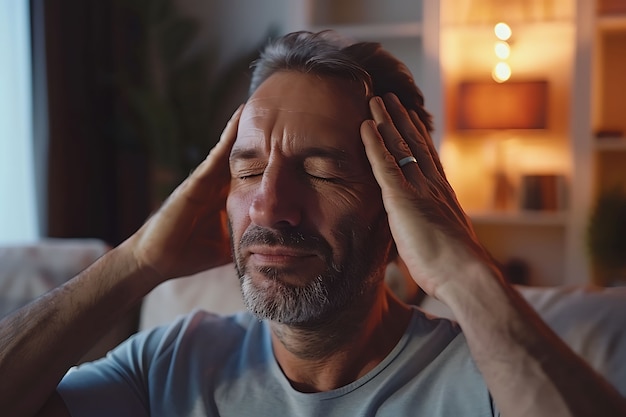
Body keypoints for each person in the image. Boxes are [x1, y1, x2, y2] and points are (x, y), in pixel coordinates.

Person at [0, 30, 624, 417]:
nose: (271, 209)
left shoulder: (494, 380)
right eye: (247, 172)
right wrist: (136, 262)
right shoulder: (169, 365)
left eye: (321, 172)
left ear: (398, 200)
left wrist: (463, 271)